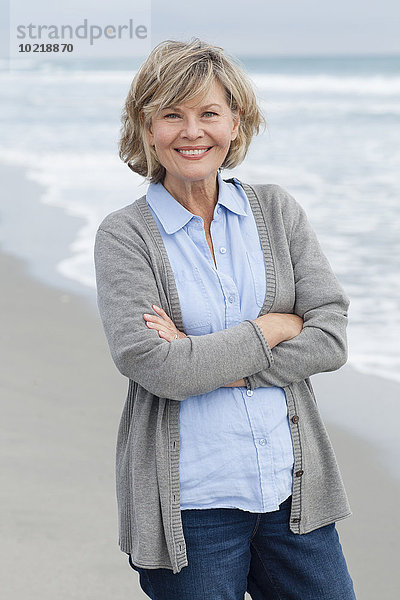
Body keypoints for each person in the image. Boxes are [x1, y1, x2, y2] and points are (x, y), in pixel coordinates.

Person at [94, 38, 356, 600]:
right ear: (147, 126)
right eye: (173, 114)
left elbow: (330, 336)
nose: (193, 132)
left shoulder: (277, 212)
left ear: (236, 123)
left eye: (209, 113)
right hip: (192, 508)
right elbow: (155, 366)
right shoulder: (125, 236)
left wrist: (204, 357)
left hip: (294, 496)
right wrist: (273, 328)